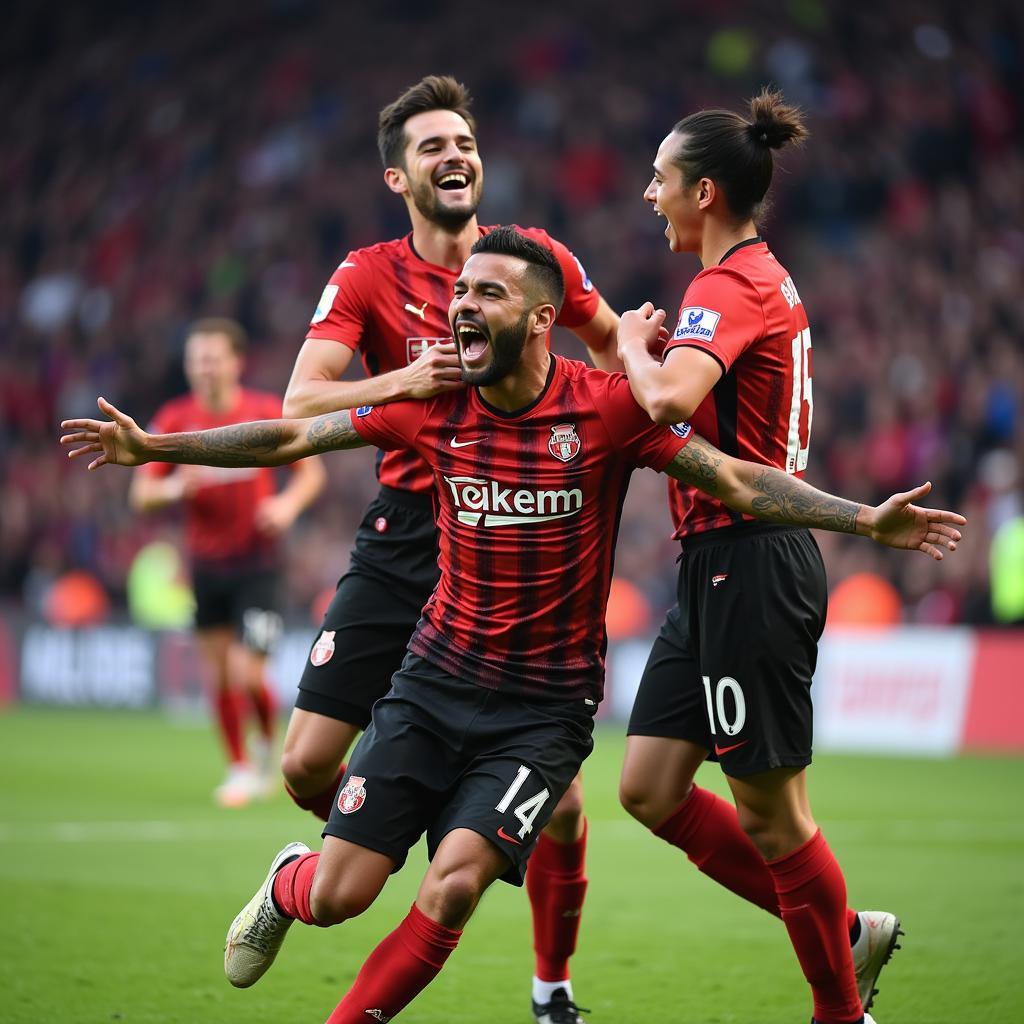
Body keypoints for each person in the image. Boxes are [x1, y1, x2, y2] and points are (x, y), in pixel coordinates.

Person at [62, 228, 964, 1024]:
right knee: (339, 897)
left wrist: (860, 519)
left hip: (544, 711)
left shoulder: (606, 408)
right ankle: (290, 881)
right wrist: (157, 447)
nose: (461, 306)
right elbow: (288, 438)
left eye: (486, 293)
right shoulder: (430, 403)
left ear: (539, 320)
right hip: (430, 686)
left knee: (452, 885)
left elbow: (734, 478)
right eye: (459, 292)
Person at [280, 75, 620, 1023]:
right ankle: (364, 833)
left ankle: (551, 988)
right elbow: (299, 405)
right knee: (307, 765)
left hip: (519, 534)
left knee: (559, 804)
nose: (454, 155)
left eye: (463, 140)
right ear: (399, 177)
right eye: (431, 146)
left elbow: (607, 355)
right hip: (408, 538)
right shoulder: (366, 274)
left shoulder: (530, 261)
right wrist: (406, 374)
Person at [616, 90, 901, 1023]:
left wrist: (628, 345)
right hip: (714, 563)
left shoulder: (728, 286)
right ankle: (844, 929)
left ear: (703, 192)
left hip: (755, 559)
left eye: (659, 179)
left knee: (775, 815)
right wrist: (657, 356)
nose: (647, 193)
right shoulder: (752, 280)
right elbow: (689, 390)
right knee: (651, 787)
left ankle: (840, 1010)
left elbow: (664, 403)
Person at [129, 317, 325, 806]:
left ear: (236, 362)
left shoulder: (263, 410)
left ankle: (264, 745)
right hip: (206, 566)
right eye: (197, 359)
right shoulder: (174, 418)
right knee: (217, 676)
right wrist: (176, 486)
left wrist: (286, 506)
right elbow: (142, 495)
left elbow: (311, 475)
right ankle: (239, 766)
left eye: (214, 358)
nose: (204, 368)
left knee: (247, 674)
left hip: (258, 564)